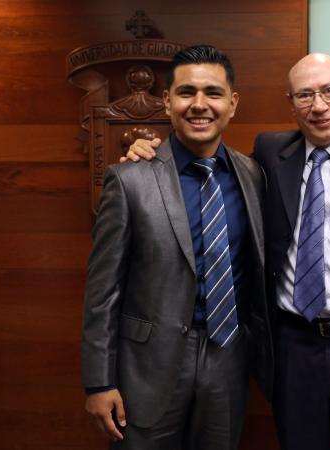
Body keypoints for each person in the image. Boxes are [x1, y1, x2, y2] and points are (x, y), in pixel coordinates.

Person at [126, 53, 330, 450]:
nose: (319, 106)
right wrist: (149, 153)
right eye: (305, 95)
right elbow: (208, 162)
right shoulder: (269, 154)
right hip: (296, 350)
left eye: (329, 91)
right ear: (291, 103)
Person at [82, 45, 272, 450]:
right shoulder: (129, 179)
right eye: (187, 92)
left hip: (229, 355)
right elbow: (103, 291)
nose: (199, 104)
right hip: (148, 366)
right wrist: (98, 381)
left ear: (233, 103)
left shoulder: (253, 175)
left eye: (213, 93)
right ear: (168, 101)